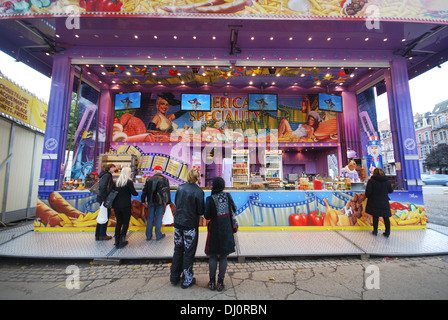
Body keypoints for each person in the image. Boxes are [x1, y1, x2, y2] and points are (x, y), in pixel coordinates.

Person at [170, 168, 204, 289]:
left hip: (178, 223)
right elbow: (200, 210)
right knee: (189, 252)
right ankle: (187, 279)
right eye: (199, 176)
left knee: (178, 250)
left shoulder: (180, 188)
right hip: (190, 225)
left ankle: (174, 277)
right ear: (197, 178)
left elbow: (177, 203)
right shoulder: (199, 192)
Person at [204, 177, 236, 292]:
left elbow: (207, 216)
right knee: (223, 256)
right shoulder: (227, 196)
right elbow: (234, 209)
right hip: (226, 230)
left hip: (214, 231)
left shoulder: (210, 199)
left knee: (213, 256)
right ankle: (221, 283)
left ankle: (212, 282)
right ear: (223, 186)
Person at [141, 165, 171, 241]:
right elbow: (167, 192)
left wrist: (143, 200)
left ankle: (148, 236)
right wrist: (168, 202)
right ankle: (158, 235)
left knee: (150, 218)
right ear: (161, 172)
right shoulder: (165, 180)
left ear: (154, 171)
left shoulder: (149, 179)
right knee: (158, 218)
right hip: (160, 201)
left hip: (150, 201)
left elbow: (144, 191)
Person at [112, 166, 138, 248]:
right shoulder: (129, 182)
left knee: (119, 222)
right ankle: (122, 240)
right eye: (130, 172)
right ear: (127, 173)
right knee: (126, 222)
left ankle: (116, 241)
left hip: (116, 205)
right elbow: (134, 193)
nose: (130, 173)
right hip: (126, 205)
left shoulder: (116, 182)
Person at [365, 168, 393, 237]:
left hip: (374, 201)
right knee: (386, 218)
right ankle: (387, 232)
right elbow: (390, 191)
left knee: (375, 217)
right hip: (384, 201)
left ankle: (375, 231)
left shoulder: (371, 181)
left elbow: (368, 193)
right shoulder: (387, 181)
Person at [95, 163, 116, 240]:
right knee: (105, 216)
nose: (114, 169)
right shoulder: (107, 175)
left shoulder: (103, 175)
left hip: (102, 198)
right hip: (104, 199)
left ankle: (98, 234)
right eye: (113, 167)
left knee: (101, 215)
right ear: (109, 168)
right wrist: (104, 198)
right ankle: (102, 234)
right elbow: (103, 187)